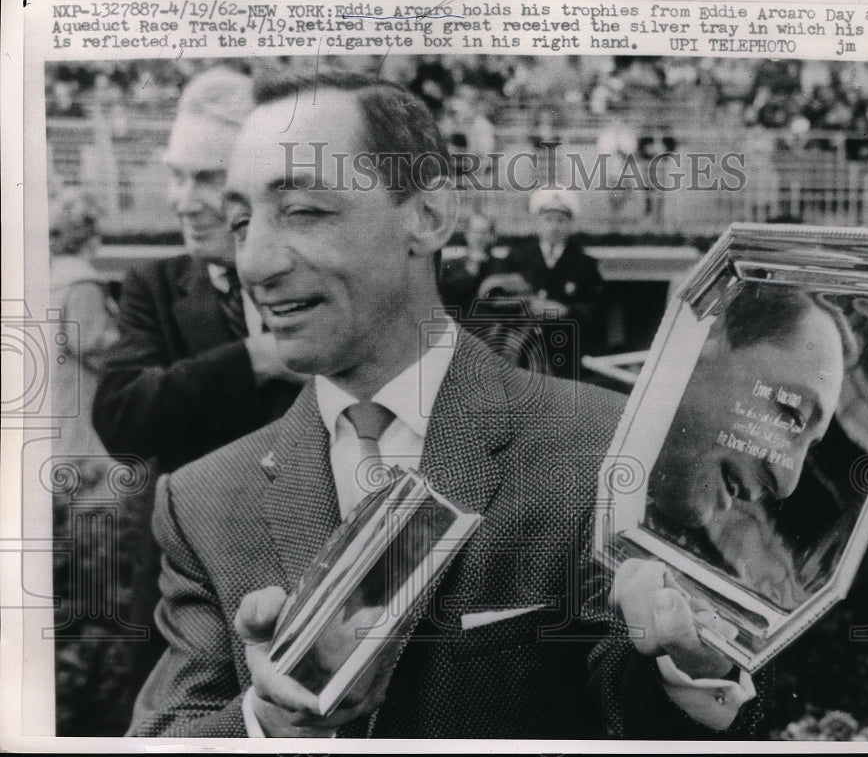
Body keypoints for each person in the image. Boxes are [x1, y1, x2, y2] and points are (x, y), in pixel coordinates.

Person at [126, 69, 768, 739]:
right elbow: (165, 732)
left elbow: (656, 720)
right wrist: (268, 720)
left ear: (429, 216)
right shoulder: (199, 504)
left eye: (304, 211)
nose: (255, 262)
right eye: (240, 221)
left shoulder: (604, 446)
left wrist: (690, 664)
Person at [90, 66, 306, 699]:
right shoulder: (154, 287)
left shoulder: (316, 279)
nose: (183, 200)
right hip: (189, 585)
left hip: (308, 568)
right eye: (176, 175)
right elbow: (122, 412)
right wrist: (253, 360)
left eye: (207, 178)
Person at [644, 284, 849, 608]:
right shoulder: (552, 443)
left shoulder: (708, 584)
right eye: (791, 413)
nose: (786, 484)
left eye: (809, 448)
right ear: (710, 337)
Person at [481, 188, 607, 379]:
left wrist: (566, 310)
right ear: (538, 222)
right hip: (522, 353)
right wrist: (527, 305)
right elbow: (494, 300)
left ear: (570, 224)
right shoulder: (517, 258)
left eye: (561, 220)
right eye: (548, 220)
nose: (554, 226)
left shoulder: (585, 264)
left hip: (566, 353)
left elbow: (597, 307)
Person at [49, 187, 120, 463]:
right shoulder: (83, 283)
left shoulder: (54, 279)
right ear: (90, 238)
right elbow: (88, 342)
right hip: (80, 391)